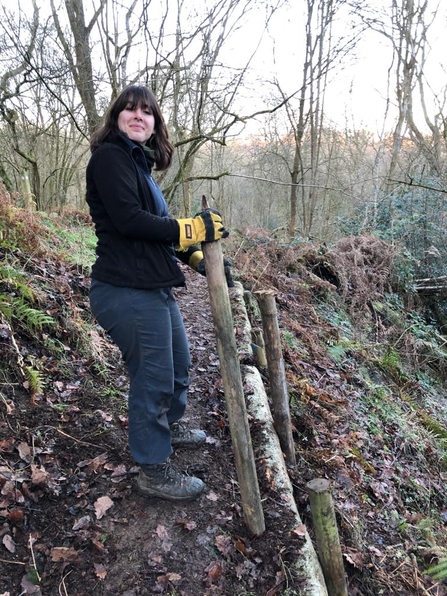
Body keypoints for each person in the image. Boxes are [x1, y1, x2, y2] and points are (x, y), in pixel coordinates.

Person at [86, 84, 229, 502]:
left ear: (155, 124)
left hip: (152, 284)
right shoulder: (110, 158)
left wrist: (193, 256)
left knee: (179, 364)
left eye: (146, 113)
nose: (137, 117)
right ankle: (152, 467)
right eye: (129, 110)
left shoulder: (139, 166)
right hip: (124, 289)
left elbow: (156, 229)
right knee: (153, 378)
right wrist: (191, 227)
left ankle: (170, 424)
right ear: (116, 117)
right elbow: (130, 222)